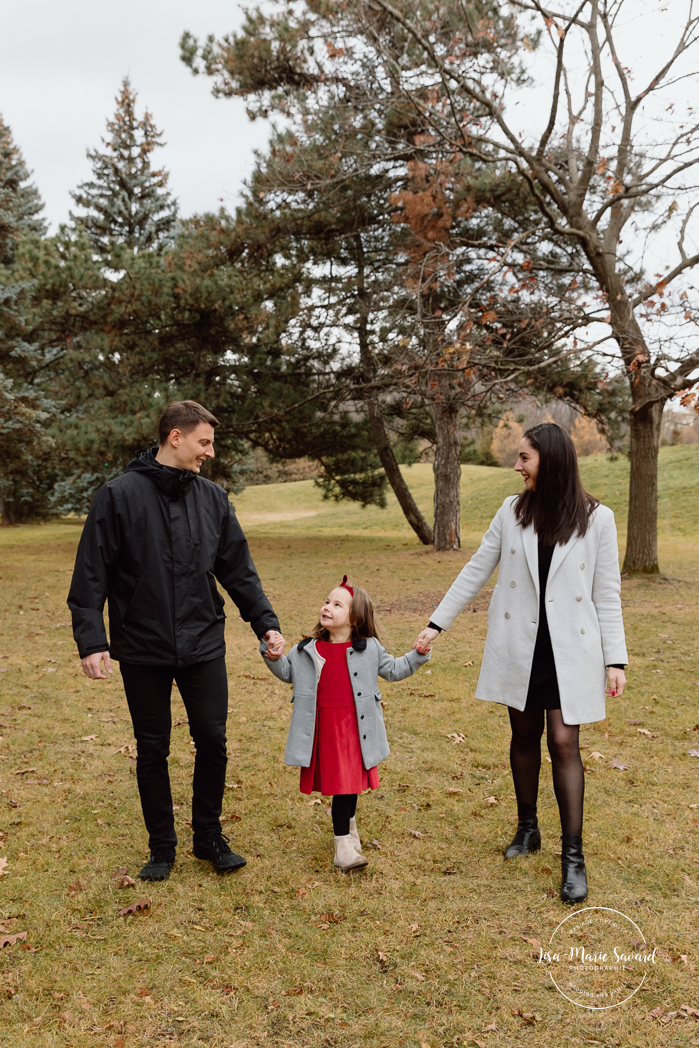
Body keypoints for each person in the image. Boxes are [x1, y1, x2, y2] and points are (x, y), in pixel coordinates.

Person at [67, 400, 285, 881]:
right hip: (141, 646)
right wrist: (92, 641)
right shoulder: (118, 496)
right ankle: (161, 847)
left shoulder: (213, 499)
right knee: (153, 748)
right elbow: (90, 575)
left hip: (204, 641)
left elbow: (238, 571)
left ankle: (208, 838)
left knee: (212, 738)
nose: (209, 452)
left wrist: (265, 622)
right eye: (204, 442)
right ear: (175, 438)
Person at [414, 423, 627, 904]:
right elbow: (476, 570)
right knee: (525, 736)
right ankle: (527, 828)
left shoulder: (598, 519)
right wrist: (436, 624)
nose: (517, 466)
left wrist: (616, 660)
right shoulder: (512, 512)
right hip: (521, 643)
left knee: (564, 741)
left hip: (571, 648)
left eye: (524, 458)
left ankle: (573, 856)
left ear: (549, 461)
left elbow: (607, 594)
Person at [261, 576, 432, 871]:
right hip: (325, 729)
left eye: (337, 604)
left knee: (350, 785)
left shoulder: (370, 649)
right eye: (327, 601)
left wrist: (417, 655)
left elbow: (393, 670)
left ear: (354, 618)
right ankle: (343, 846)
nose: (327, 607)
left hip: (356, 728)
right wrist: (274, 656)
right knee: (341, 785)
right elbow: (287, 672)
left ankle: (348, 833)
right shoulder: (307, 649)